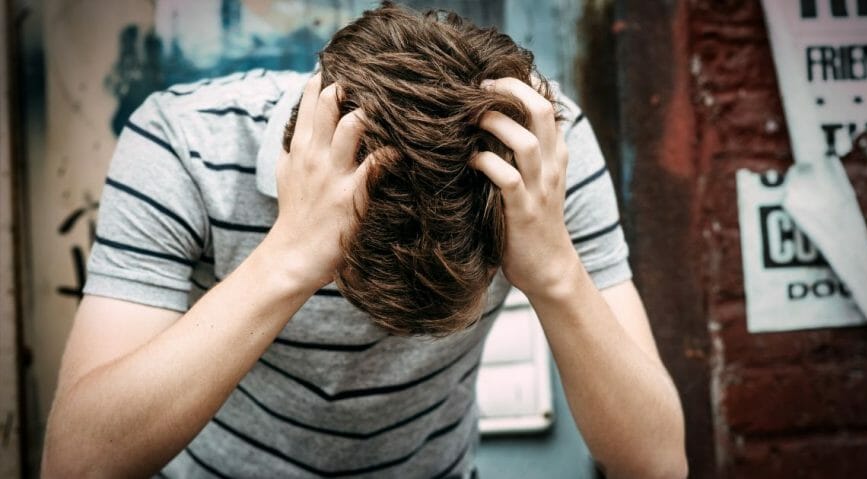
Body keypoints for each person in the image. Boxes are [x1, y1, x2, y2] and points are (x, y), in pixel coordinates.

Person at [42, 3, 686, 478]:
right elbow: (77, 464)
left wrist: (554, 274)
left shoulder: (540, 158)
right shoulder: (183, 144)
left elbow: (657, 463)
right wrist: (290, 259)